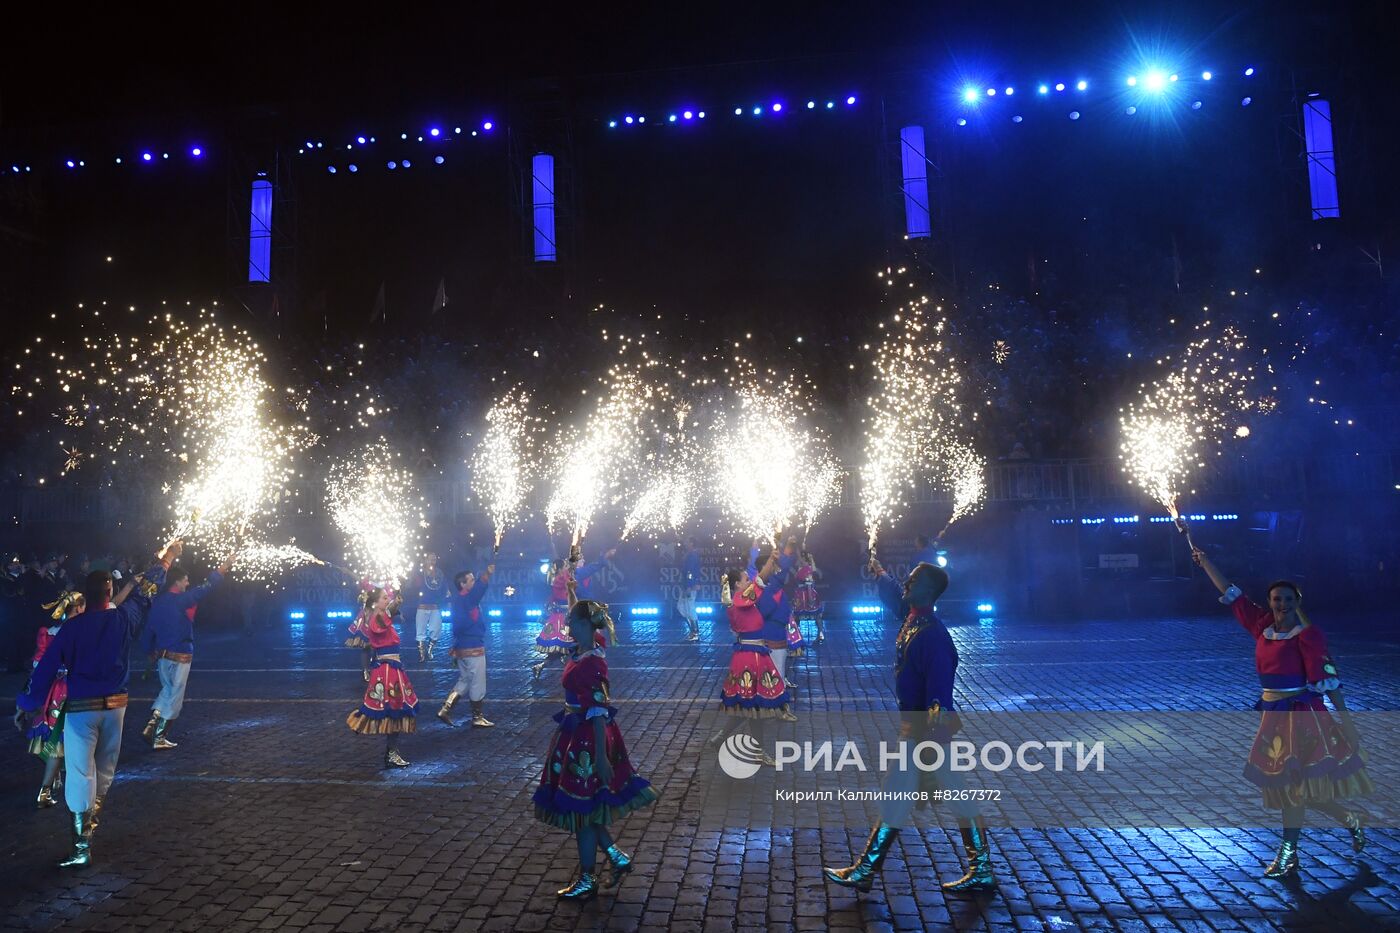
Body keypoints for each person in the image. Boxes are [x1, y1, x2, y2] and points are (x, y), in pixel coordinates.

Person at [1192, 546, 1371, 878]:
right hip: (1273, 715)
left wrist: (1348, 723)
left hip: (1303, 716)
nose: (1282, 604)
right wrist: (1205, 562)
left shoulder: (1308, 636)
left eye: (1288, 599)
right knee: (1300, 791)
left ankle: (1288, 854)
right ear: (1270, 601)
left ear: (1297, 602)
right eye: (1277, 599)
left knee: (1294, 789)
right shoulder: (1261, 625)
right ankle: (1350, 820)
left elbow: (1330, 682)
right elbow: (1229, 591)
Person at [824, 561, 997, 895]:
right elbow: (895, 596)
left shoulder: (933, 637)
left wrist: (930, 747)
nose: (907, 581)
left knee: (914, 798)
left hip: (925, 737)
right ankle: (980, 869)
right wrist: (879, 573)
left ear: (928, 590)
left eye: (913, 579)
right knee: (923, 798)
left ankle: (867, 870)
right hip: (916, 734)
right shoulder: (915, 618)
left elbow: (939, 699)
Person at [11, 541, 174, 869]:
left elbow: (43, 672)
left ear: (86, 594)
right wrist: (167, 561)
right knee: (104, 771)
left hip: (81, 709)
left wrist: (26, 704)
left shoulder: (72, 628)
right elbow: (145, 594)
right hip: (116, 707)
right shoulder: (124, 619)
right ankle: (89, 827)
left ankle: (81, 843)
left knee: (81, 771)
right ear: (109, 589)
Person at [532, 592, 658, 901]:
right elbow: (584, 616)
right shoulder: (586, 650)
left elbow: (600, 711)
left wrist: (601, 756)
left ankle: (588, 878)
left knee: (583, 811)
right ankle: (616, 858)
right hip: (578, 734)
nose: (567, 625)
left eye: (572, 621)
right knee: (586, 812)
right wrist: (574, 591)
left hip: (588, 740)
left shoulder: (592, 663)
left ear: (586, 625)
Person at [138, 554, 233, 750]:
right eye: (186, 579)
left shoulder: (159, 601)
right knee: (175, 697)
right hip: (180, 656)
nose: (188, 582)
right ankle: (159, 736)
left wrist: (149, 650)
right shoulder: (181, 600)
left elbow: (149, 630)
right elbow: (206, 588)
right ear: (177, 581)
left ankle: (151, 727)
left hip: (162, 656)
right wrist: (222, 569)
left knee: (166, 691)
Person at [346, 587, 418, 768]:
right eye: (384, 598)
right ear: (375, 602)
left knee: (396, 711)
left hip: (393, 669)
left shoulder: (381, 617)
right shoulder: (374, 619)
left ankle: (392, 751)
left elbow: (388, 616)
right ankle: (391, 753)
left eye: (388, 598)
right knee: (393, 710)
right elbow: (383, 619)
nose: (388, 600)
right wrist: (394, 605)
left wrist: (395, 604)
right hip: (386, 671)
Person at [25, 591, 85, 808]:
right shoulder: (78, 631)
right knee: (60, 742)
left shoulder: (49, 633)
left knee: (52, 738)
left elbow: (37, 666)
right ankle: (45, 789)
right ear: (78, 608)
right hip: (69, 691)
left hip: (50, 690)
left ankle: (55, 778)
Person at [439, 564, 495, 728]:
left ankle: (445, 709)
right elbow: (479, 590)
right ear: (463, 584)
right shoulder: (467, 598)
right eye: (471, 580)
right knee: (477, 681)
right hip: (473, 646)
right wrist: (487, 574)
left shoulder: (459, 599)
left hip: (462, 646)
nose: (474, 582)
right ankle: (477, 717)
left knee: (465, 680)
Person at [533, 559, 577, 679]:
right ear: (560, 568)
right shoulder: (559, 579)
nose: (567, 566)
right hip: (562, 619)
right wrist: (571, 568)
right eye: (565, 565)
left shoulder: (560, 577)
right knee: (568, 646)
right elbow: (571, 584)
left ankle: (541, 666)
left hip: (564, 615)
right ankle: (570, 672)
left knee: (562, 650)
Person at [412, 553, 449, 662]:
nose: (433, 561)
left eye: (434, 559)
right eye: (430, 559)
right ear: (425, 560)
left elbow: (444, 586)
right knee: (420, 631)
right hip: (422, 606)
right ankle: (422, 655)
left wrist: (447, 596)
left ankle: (429, 650)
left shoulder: (439, 573)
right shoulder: (420, 572)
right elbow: (414, 586)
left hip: (435, 606)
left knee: (436, 629)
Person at [790, 551, 824, 645]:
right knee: (797, 617)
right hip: (800, 595)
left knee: (817, 616)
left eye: (800, 558)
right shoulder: (801, 568)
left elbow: (810, 580)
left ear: (804, 559)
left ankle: (820, 635)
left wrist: (810, 599)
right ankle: (796, 637)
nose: (798, 559)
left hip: (808, 595)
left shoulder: (808, 568)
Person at [677, 538, 702, 642]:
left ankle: (695, 632)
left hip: (689, 586)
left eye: (687, 541)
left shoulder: (692, 555)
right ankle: (692, 630)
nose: (685, 543)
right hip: (687, 585)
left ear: (691, 543)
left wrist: (689, 585)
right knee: (682, 607)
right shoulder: (689, 554)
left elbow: (690, 572)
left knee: (689, 607)